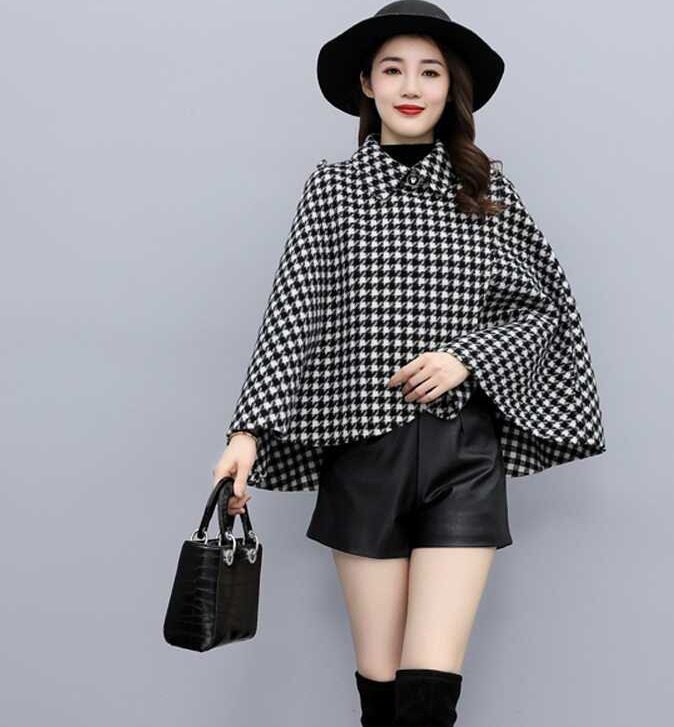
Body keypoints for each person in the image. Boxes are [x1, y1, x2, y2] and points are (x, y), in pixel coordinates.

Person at [213, 2, 606, 725]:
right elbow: (291, 311)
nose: (411, 87)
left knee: (430, 694)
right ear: (366, 83)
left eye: (430, 72)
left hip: (464, 453)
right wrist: (247, 434)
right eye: (393, 70)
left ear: (450, 87)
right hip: (363, 453)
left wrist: (465, 356)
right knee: (382, 691)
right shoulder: (332, 189)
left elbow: (542, 309)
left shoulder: (485, 189)